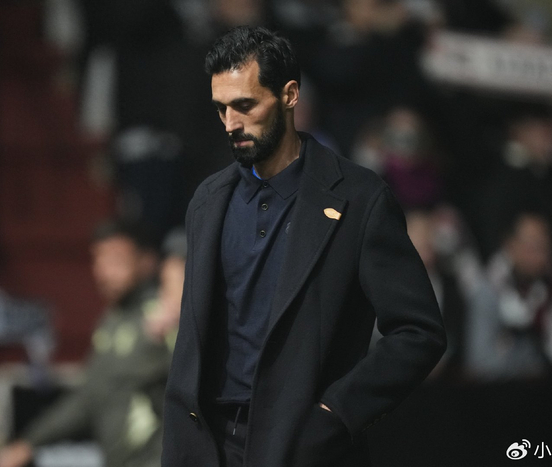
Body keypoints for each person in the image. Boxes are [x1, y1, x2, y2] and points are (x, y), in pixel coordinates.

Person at [160, 26, 446, 467]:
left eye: (245, 105)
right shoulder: (207, 201)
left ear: (290, 95)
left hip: (302, 446)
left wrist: (336, 414)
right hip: (206, 448)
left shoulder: (359, 199)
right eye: (221, 109)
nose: (231, 123)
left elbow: (419, 332)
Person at [0, 220, 170, 467]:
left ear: (147, 261)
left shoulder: (166, 317)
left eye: (116, 260)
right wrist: (29, 442)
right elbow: (88, 395)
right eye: (98, 260)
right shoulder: (111, 321)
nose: (104, 272)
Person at [465, 212, 552, 381]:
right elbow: (480, 361)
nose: (540, 255)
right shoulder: (488, 290)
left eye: (545, 245)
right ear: (510, 245)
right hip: (502, 392)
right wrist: (532, 357)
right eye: (531, 245)